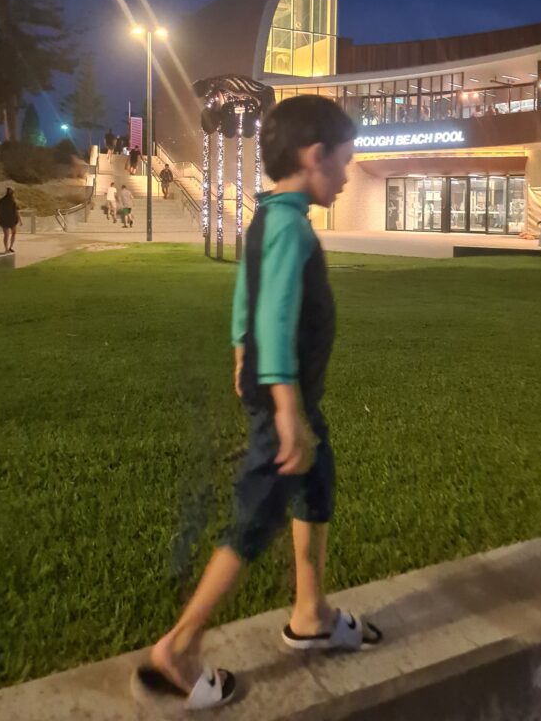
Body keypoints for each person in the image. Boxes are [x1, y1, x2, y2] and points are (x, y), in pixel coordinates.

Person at [134, 95, 381, 712]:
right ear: (314, 156)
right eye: (344, 161)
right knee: (256, 515)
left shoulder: (269, 216)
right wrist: (286, 410)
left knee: (316, 486)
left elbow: (248, 296)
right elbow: (273, 315)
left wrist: (240, 351)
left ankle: (311, 614)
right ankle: (177, 648)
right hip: (283, 398)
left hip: (284, 392)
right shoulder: (291, 228)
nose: (347, 174)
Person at [0, 187, 21, 252]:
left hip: (4, 219)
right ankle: (10, 247)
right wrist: (20, 220)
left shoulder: (1, 201)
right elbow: (16, 211)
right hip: (12, 220)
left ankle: (6, 248)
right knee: (13, 233)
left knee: (6, 235)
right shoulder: (13, 201)